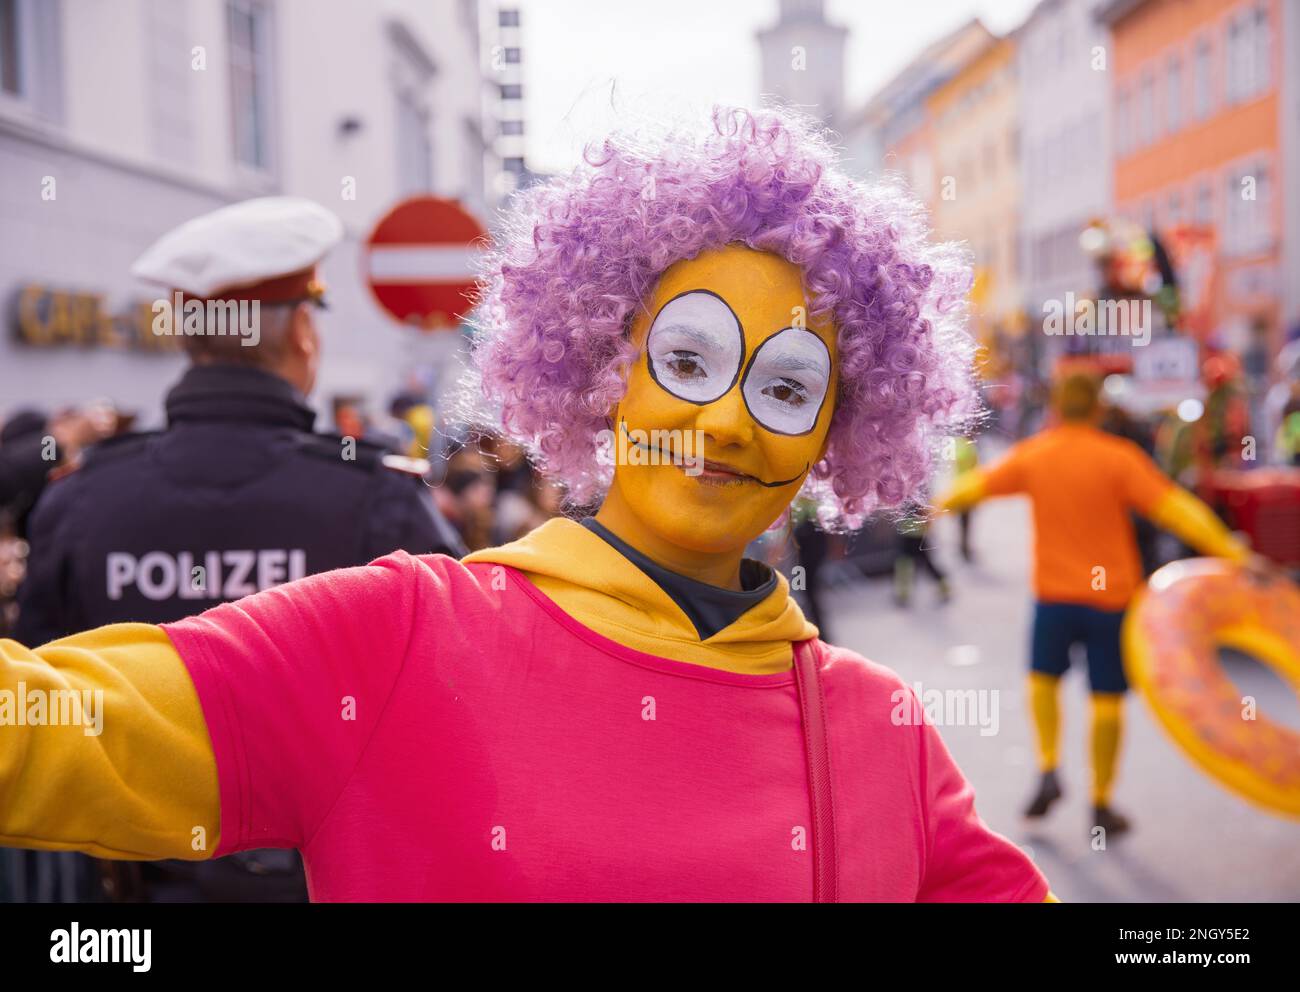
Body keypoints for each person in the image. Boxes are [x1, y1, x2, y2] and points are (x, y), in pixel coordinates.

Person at [1, 108, 1054, 902]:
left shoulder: (881, 728)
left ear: (835, 429)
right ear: (604, 370)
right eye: (687, 360)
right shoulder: (402, 637)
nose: (729, 423)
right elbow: (52, 731)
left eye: (785, 387)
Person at [11, 197, 463, 902]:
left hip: (134, 899)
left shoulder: (80, 498)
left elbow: (44, 703)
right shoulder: (377, 496)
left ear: (192, 339)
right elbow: (453, 715)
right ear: (302, 334)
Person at [937, 372, 1259, 837]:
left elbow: (973, 487)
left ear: (1056, 408)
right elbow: (1178, 510)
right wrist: (1234, 552)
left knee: (1041, 682)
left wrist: (928, 508)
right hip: (1111, 601)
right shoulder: (1120, 459)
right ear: (1098, 410)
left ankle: (1049, 766)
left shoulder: (1036, 454)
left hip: (1054, 598)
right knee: (1106, 699)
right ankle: (1101, 802)